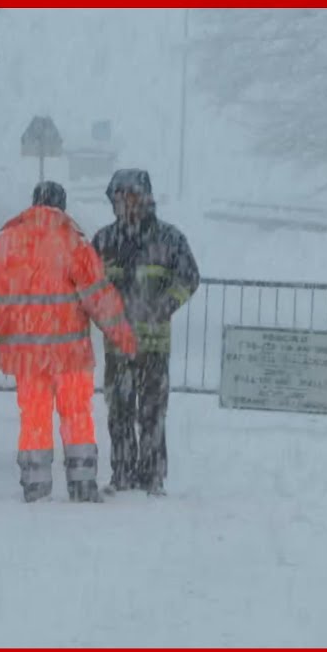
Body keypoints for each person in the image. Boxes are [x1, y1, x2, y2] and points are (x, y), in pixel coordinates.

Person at [0, 181, 138, 503]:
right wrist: (124, 338)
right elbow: (98, 296)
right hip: (70, 354)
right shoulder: (72, 242)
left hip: (26, 356)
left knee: (34, 417)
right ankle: (82, 482)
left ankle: (35, 484)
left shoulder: (7, 242)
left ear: (33, 203)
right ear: (62, 206)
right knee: (77, 414)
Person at [92, 169, 200, 496]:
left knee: (152, 412)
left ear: (145, 198)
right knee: (119, 411)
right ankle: (122, 474)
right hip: (117, 346)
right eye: (119, 198)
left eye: (131, 197)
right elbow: (89, 287)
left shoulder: (170, 239)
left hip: (154, 345)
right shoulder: (104, 241)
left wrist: (165, 306)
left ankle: (153, 477)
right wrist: (104, 316)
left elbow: (189, 278)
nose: (125, 204)